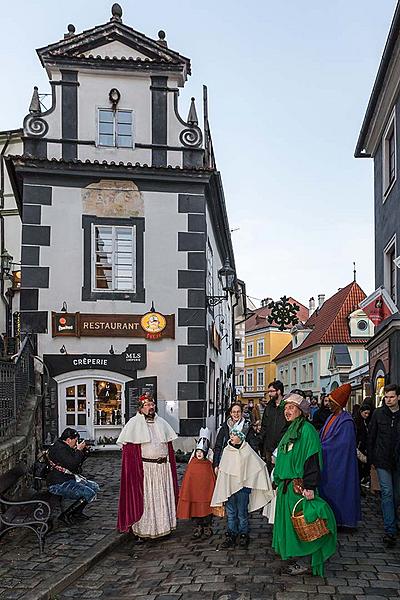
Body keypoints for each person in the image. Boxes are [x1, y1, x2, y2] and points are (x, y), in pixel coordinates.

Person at [272, 393, 337, 577]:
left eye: (291, 407)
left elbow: (312, 459)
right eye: (286, 408)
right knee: (293, 527)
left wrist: (309, 486)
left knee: (305, 525)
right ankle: (298, 557)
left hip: (299, 487)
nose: (287, 411)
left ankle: (306, 561)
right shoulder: (290, 429)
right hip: (286, 487)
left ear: (301, 411)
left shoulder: (307, 431)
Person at [117, 396, 178, 539]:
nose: (151, 407)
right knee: (148, 500)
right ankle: (145, 531)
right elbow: (129, 452)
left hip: (163, 469)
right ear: (140, 408)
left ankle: (164, 528)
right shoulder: (133, 424)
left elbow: (168, 446)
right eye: (147, 405)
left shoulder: (162, 422)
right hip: (146, 470)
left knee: (162, 498)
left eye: (152, 404)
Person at [211, 427, 273, 549]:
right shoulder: (227, 451)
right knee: (231, 513)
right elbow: (224, 471)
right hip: (229, 488)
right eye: (231, 435)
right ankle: (231, 534)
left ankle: (244, 534)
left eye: (234, 435)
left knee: (242, 513)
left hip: (243, 489)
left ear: (241, 437)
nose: (232, 437)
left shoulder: (247, 451)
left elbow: (257, 464)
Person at [319, 383, 361, 528]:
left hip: (339, 466)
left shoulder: (346, 421)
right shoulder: (331, 417)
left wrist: (320, 447)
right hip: (329, 463)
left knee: (340, 492)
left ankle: (342, 519)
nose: (328, 404)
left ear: (338, 403)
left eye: (331, 402)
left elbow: (341, 445)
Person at [367, 384, 400, 547]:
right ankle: (390, 530)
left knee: (396, 495)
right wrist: (371, 459)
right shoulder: (378, 414)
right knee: (387, 493)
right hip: (382, 460)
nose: (388, 400)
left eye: (392, 397)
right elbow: (371, 436)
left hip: (398, 460)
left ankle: (394, 520)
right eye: (386, 397)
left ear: (398, 397)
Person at [47, 427, 99, 525]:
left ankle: (77, 513)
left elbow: (76, 465)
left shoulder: (65, 447)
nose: (76, 443)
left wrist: (84, 452)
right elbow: (72, 464)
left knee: (94, 487)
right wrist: (78, 450)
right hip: (58, 484)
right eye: (75, 441)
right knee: (89, 493)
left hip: (67, 478)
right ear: (68, 440)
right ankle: (66, 515)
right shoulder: (59, 449)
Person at [177, 431, 216, 540]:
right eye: (197, 451)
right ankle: (198, 526)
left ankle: (207, 526)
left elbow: (211, 478)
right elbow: (188, 479)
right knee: (195, 510)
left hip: (205, 493)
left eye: (201, 452)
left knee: (207, 510)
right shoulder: (192, 464)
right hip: (194, 493)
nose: (199, 454)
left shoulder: (208, 465)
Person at [213, 403, 259, 472]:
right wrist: (216, 464)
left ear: (241, 413)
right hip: (227, 462)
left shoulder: (247, 428)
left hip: (243, 463)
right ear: (231, 413)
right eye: (234, 412)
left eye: (238, 412)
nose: (236, 414)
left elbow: (253, 446)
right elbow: (218, 446)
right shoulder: (224, 427)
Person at [260, 380, 288, 472]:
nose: (269, 394)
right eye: (269, 392)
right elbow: (264, 425)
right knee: (270, 471)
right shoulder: (269, 407)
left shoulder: (287, 406)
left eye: (271, 391)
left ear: (279, 391)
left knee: (282, 470)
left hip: (283, 445)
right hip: (269, 446)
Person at [354, 399, 372, 487]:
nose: (367, 415)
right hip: (358, 448)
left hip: (364, 448)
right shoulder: (357, 422)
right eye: (365, 413)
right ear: (361, 412)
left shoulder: (366, 422)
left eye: (368, 413)